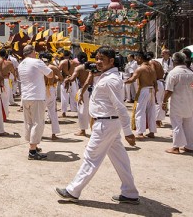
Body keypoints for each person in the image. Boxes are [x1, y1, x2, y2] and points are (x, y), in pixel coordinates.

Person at [55, 47, 139, 204]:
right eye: (97, 58)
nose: (98, 62)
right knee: (120, 159)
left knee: (91, 157)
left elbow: (120, 107)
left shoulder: (110, 80)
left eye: (102, 59)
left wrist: (128, 131)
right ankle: (130, 192)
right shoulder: (107, 77)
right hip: (108, 123)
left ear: (112, 61)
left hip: (105, 123)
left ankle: (73, 191)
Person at [18, 45, 53, 160]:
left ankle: (33, 144)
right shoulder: (37, 62)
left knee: (29, 122)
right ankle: (32, 150)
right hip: (36, 96)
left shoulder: (21, 64)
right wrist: (48, 65)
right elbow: (50, 74)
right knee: (38, 122)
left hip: (26, 96)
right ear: (32, 52)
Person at [162, 52, 193, 154]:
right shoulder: (191, 73)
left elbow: (169, 90)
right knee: (189, 125)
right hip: (189, 102)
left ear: (174, 61)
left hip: (177, 103)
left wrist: (164, 102)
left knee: (176, 124)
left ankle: (176, 147)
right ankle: (190, 146)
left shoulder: (173, 73)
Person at [125, 52, 157, 139]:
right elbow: (155, 82)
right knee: (151, 111)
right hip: (151, 90)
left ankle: (140, 133)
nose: (136, 60)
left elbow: (132, 79)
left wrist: (123, 81)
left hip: (144, 90)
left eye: (137, 58)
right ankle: (152, 132)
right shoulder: (152, 68)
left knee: (140, 111)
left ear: (140, 58)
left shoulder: (141, 69)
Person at [64, 52, 90, 136]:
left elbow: (72, 79)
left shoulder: (79, 68)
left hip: (83, 90)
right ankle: (93, 129)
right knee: (91, 110)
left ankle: (83, 130)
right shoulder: (91, 66)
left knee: (81, 110)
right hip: (92, 90)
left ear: (78, 59)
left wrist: (67, 79)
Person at [41, 52, 63, 140]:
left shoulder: (40, 67)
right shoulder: (53, 67)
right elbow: (61, 78)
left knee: (40, 114)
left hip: (42, 90)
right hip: (51, 89)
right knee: (53, 113)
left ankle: (39, 134)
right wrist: (55, 79)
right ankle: (54, 134)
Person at [0, 48, 16, 119]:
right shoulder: (9, 63)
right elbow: (13, 73)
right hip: (5, 80)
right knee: (5, 99)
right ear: (6, 54)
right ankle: (4, 115)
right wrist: (14, 78)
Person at [147, 52, 165, 127]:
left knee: (156, 102)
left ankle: (157, 121)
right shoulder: (158, 62)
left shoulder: (151, 62)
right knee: (159, 101)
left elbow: (153, 72)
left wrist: (154, 83)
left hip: (156, 83)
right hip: (161, 82)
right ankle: (159, 120)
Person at [58, 50, 79, 117]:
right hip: (72, 79)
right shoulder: (74, 62)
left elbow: (58, 70)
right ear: (69, 55)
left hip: (65, 79)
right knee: (74, 95)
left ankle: (64, 112)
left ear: (63, 55)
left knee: (64, 96)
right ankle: (75, 110)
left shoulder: (62, 62)